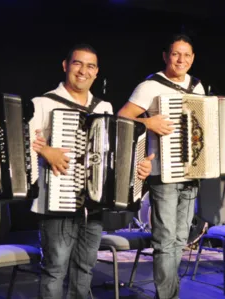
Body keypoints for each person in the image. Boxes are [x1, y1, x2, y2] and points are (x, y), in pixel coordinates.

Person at [29, 43, 154, 299]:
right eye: (77, 63)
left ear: (97, 72)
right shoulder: (42, 103)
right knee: (55, 269)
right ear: (65, 66)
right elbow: (24, 144)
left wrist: (138, 167)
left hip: (94, 205)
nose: (83, 71)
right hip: (56, 203)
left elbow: (116, 156)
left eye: (90, 66)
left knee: (85, 268)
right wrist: (46, 152)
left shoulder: (104, 108)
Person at [116, 33, 206, 299]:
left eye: (187, 55)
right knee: (165, 241)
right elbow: (121, 118)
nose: (181, 60)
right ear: (166, 56)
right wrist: (148, 123)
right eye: (176, 54)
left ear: (192, 58)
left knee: (180, 240)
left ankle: (166, 294)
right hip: (162, 173)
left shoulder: (198, 87)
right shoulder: (150, 85)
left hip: (191, 172)